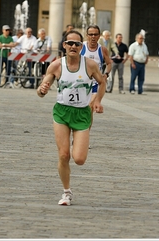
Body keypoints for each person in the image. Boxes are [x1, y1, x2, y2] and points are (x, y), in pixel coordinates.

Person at [36, 30, 106, 206]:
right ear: (64, 45)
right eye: (70, 43)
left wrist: (97, 100)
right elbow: (41, 90)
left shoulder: (89, 65)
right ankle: (66, 192)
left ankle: (78, 141)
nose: (73, 46)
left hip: (82, 113)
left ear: (81, 47)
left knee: (80, 159)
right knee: (63, 154)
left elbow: (102, 81)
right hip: (62, 112)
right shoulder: (56, 66)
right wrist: (42, 90)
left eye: (77, 44)